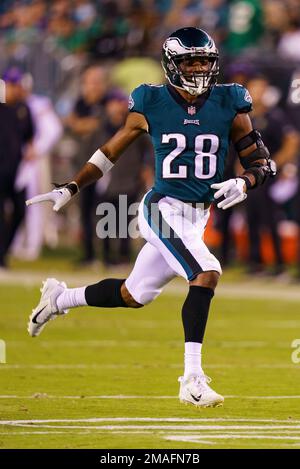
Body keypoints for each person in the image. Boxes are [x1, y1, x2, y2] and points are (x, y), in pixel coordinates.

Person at [26, 27, 275, 408]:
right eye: (189, 62)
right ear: (172, 65)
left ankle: (60, 299)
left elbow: (261, 161)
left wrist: (245, 181)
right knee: (206, 272)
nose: (197, 70)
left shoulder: (230, 100)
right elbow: (110, 151)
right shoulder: (150, 100)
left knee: (134, 294)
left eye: (203, 62)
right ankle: (191, 379)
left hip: (196, 217)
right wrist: (72, 186)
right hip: (161, 208)